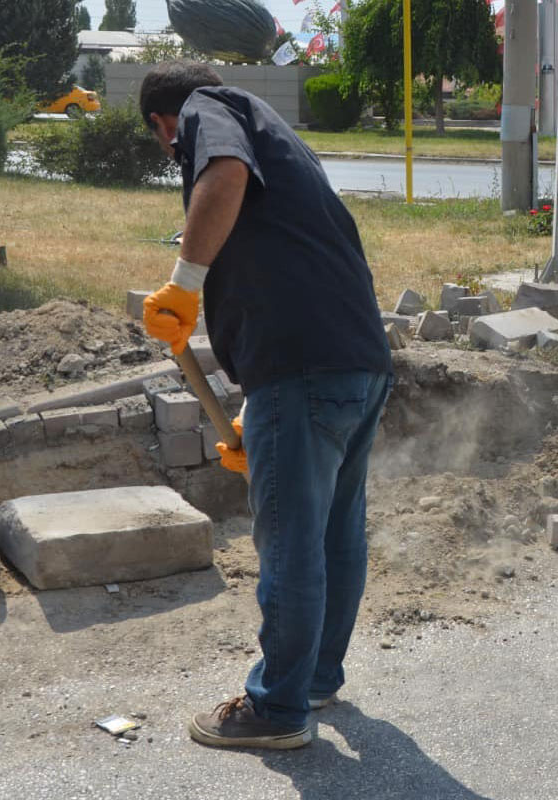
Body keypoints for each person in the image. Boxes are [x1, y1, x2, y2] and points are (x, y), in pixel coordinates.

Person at [138, 61, 393, 749]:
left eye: (167, 145)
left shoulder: (204, 110)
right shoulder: (272, 129)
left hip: (304, 367)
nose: (174, 154)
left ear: (164, 124)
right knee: (336, 532)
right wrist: (262, 411)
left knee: (290, 541)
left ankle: (278, 709)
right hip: (354, 359)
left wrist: (184, 284)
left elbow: (222, 174)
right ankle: (313, 677)